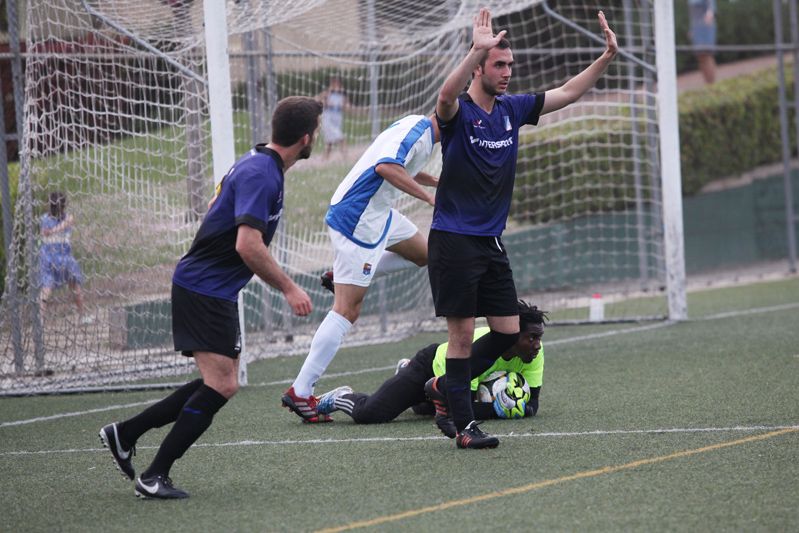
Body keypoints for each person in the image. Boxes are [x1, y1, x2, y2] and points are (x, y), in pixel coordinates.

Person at [98, 96, 323, 499]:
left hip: (210, 287)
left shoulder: (259, 164)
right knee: (222, 385)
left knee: (218, 381)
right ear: (306, 137)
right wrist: (289, 288)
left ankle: (126, 434)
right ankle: (153, 476)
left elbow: (217, 210)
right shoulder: (262, 173)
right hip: (205, 288)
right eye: (317, 131)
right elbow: (247, 245)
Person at [426, 7, 616, 449]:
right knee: (459, 335)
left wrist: (606, 57)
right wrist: (475, 50)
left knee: (510, 330)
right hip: (454, 240)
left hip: (491, 243)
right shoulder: (460, 113)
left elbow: (567, 93)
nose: (508, 72)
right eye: (499, 64)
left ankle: (447, 395)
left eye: (510, 64)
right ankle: (464, 426)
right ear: (480, 67)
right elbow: (444, 96)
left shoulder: (512, 109)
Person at [282, 114, 440, 423]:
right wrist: (431, 199)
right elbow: (384, 167)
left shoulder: (422, 130)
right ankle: (300, 391)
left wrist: (434, 180)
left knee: (426, 254)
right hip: (359, 218)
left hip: (378, 213)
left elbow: (396, 164)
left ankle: (341, 277)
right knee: (347, 310)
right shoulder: (419, 133)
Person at [315, 301, 546, 430]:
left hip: (446, 389)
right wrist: (501, 409)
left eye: (539, 338)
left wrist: (519, 408)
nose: (537, 345)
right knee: (370, 414)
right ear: (513, 334)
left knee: (426, 411)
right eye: (531, 337)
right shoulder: (483, 348)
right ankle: (341, 396)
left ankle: (407, 378)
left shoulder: (536, 354)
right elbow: (461, 409)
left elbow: (533, 403)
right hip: (430, 368)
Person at [39, 191, 93, 324]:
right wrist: (50, 232)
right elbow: (63, 224)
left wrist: (51, 231)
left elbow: (61, 225)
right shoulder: (57, 218)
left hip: (52, 259)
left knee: (50, 287)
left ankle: (40, 319)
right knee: (71, 287)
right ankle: (81, 315)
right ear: (64, 206)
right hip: (59, 259)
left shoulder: (48, 219)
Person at [318, 76, 348, 159]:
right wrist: (325, 101)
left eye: (338, 83)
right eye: (334, 83)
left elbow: (346, 106)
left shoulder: (342, 95)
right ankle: (345, 157)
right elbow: (318, 100)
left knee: (329, 141)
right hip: (328, 119)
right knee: (341, 137)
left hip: (337, 119)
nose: (336, 85)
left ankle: (325, 158)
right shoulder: (327, 93)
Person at [689, 0, 717, 85]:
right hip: (696, 27)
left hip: (706, 26)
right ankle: (707, 82)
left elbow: (711, 5)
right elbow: (691, 14)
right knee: (700, 56)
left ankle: (712, 84)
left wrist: (710, 13)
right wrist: (691, 29)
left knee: (707, 55)